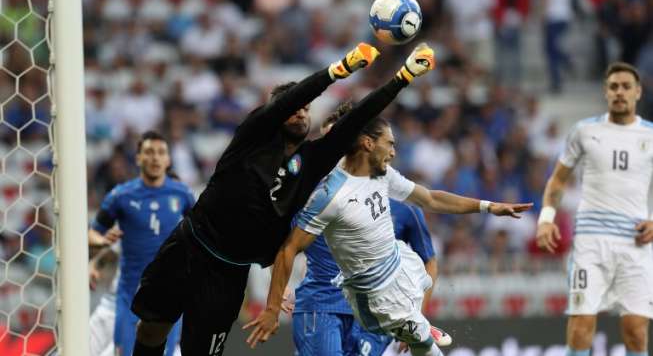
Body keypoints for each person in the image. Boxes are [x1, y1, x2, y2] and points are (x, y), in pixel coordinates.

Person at [131, 43, 436, 356]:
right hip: (190, 246)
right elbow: (288, 100)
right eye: (296, 105)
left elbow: (358, 118)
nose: (301, 111)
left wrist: (403, 76)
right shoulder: (251, 137)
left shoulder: (312, 161)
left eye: (306, 109)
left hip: (230, 273)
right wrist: (338, 70)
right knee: (153, 327)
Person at [245, 117, 532, 355]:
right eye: (390, 144)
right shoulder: (319, 194)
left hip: (387, 288)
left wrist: (488, 206)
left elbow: (431, 200)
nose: (394, 151)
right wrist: (273, 302)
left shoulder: (382, 177)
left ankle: (413, 319)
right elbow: (282, 245)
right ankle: (411, 323)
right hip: (328, 303)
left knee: (414, 299)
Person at [288, 110, 443, 356]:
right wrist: (280, 293)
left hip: (376, 310)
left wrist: (416, 314)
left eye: (337, 141)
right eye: (326, 142)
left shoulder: (403, 204)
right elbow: (287, 246)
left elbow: (429, 262)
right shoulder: (317, 196)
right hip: (325, 304)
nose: (331, 151)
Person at [535, 62, 653, 356]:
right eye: (613, 87)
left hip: (635, 243)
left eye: (626, 87)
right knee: (581, 325)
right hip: (591, 240)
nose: (619, 92)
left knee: (637, 331)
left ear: (638, 92)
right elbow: (557, 181)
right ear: (605, 92)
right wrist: (546, 219)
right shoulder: (585, 131)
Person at [88, 131, 195, 356]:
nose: (155, 158)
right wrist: (98, 249)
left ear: (167, 159)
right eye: (149, 152)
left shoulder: (182, 194)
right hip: (128, 301)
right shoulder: (121, 196)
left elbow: (200, 235)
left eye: (160, 153)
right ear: (138, 158)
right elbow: (94, 235)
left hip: (168, 298)